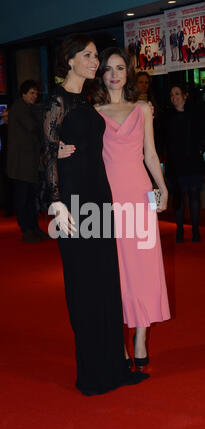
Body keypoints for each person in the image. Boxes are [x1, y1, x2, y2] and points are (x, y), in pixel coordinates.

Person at [43, 34, 149, 396]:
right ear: (69, 60)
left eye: (95, 57)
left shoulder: (86, 101)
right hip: (72, 205)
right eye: (88, 56)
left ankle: (115, 367)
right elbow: (44, 153)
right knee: (84, 287)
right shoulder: (56, 100)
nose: (94, 62)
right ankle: (91, 373)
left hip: (100, 201)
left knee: (106, 284)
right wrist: (55, 202)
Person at [58, 47, 171, 369]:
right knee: (113, 273)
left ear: (128, 73)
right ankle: (117, 342)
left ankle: (140, 337)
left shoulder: (142, 109)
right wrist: (58, 150)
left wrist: (161, 187)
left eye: (120, 68)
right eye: (108, 68)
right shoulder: (92, 111)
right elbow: (78, 148)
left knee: (143, 269)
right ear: (101, 74)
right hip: (106, 201)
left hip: (138, 195)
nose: (114, 74)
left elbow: (150, 154)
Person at [162, 85, 204, 243]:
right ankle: (179, 231)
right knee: (178, 199)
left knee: (194, 196)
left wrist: (200, 148)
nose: (174, 97)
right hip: (175, 164)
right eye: (172, 95)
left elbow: (201, 134)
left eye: (177, 94)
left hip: (193, 162)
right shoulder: (167, 117)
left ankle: (195, 231)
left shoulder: (196, 114)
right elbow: (164, 141)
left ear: (185, 96)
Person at [7, 80, 48, 242]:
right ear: (23, 93)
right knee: (24, 198)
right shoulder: (20, 108)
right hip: (21, 163)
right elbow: (32, 126)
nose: (35, 96)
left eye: (36, 93)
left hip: (27, 162)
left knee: (30, 197)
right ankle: (26, 229)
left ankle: (33, 228)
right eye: (32, 93)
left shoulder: (25, 108)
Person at [0, 108, 14, 216]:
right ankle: (9, 209)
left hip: (15, 160)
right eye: (3, 117)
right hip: (5, 160)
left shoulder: (16, 128)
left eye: (6, 116)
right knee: (7, 185)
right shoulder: (2, 128)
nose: (5, 118)